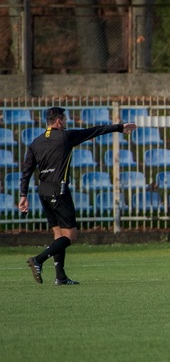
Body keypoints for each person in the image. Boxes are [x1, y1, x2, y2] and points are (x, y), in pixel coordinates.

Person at [19, 106, 137, 285]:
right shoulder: (65, 137)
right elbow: (94, 131)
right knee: (71, 236)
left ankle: (60, 277)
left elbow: (26, 170)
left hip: (42, 191)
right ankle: (38, 260)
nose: (66, 123)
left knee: (59, 235)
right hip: (59, 191)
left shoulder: (36, 142)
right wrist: (120, 127)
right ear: (58, 121)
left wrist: (23, 195)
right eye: (64, 120)